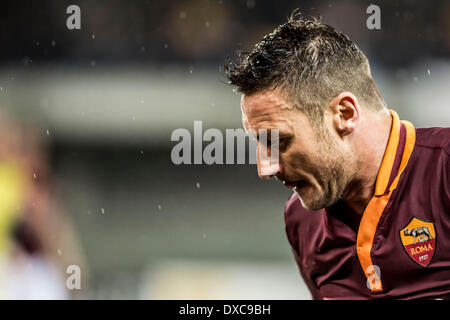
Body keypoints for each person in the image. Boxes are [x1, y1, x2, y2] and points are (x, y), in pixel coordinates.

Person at [224, 12, 450, 299]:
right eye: (260, 143)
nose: (265, 168)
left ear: (345, 114)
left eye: (280, 140)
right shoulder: (301, 221)